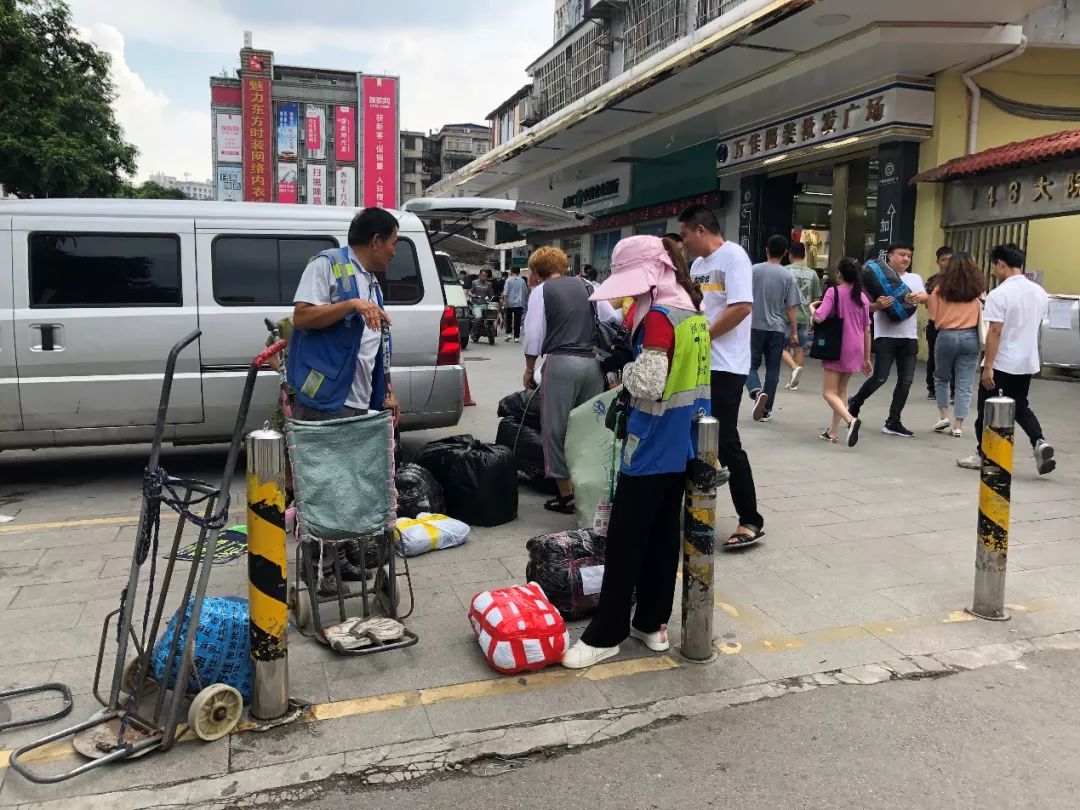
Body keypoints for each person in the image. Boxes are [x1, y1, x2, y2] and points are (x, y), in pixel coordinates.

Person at [561, 236, 710, 669]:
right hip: (684, 443)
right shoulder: (691, 311)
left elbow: (647, 382)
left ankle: (606, 634)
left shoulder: (659, 316)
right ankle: (651, 623)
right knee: (662, 538)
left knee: (626, 542)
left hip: (649, 445)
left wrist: (623, 369)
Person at [287, 207, 399, 594]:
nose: (394, 252)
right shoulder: (327, 264)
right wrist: (351, 306)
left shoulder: (371, 281)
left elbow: (375, 345)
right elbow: (302, 317)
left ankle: (338, 558)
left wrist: (386, 392)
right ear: (376, 241)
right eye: (393, 243)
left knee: (348, 483)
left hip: (358, 398)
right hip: (325, 396)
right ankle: (318, 570)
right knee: (323, 485)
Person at [679, 204, 764, 549]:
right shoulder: (697, 266)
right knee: (695, 438)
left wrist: (704, 337)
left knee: (725, 441)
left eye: (686, 235)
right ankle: (696, 509)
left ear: (701, 230)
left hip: (727, 365)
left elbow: (742, 307)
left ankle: (751, 519)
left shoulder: (734, 257)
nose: (684, 243)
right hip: (700, 364)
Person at [522, 247, 618, 513]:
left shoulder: (541, 291)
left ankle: (566, 496)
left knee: (555, 428)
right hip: (592, 364)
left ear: (536, 271)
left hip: (561, 364)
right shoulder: (587, 285)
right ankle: (590, 489)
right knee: (588, 428)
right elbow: (611, 317)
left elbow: (533, 334)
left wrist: (529, 369)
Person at [958, 244, 1055, 475]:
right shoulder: (1039, 293)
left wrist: (988, 366)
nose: (993, 271)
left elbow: (995, 331)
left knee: (987, 410)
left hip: (1002, 362)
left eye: (994, 266)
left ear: (1001, 264)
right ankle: (1039, 442)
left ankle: (984, 455)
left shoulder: (999, 294)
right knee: (1020, 406)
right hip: (1027, 362)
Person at [847, 242, 928, 438]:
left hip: (909, 337)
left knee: (906, 381)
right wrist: (877, 305)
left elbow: (926, 297)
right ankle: (856, 401)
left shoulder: (915, 278)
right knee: (880, 377)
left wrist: (919, 297)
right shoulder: (873, 278)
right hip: (885, 336)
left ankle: (893, 421)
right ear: (890, 257)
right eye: (901, 254)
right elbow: (863, 307)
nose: (906, 258)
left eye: (908, 255)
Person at [810, 257, 871, 447]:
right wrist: (867, 358)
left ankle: (850, 420)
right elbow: (867, 329)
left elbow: (819, 317)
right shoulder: (862, 297)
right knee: (841, 390)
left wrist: (812, 307)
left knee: (828, 392)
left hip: (837, 346)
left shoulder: (833, 292)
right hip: (856, 347)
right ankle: (833, 432)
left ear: (839, 274)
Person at [928, 252, 984, 438]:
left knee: (941, 377)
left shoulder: (940, 289)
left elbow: (933, 316)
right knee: (964, 383)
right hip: (970, 337)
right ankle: (958, 425)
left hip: (946, 336)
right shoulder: (978, 290)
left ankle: (943, 416)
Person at [745, 235, 800, 422]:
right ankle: (766, 410)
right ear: (785, 253)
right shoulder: (788, 276)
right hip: (777, 328)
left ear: (766, 250)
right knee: (773, 369)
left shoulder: (754, 270)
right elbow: (790, 307)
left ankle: (756, 391)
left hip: (754, 326)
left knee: (749, 365)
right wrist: (794, 332)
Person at [782, 241, 822, 391]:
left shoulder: (785, 271)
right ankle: (794, 383)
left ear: (790, 254)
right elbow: (816, 298)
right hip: (804, 317)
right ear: (804, 255)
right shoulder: (812, 274)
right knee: (799, 349)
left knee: (779, 346)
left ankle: (794, 368)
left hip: (786, 315)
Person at [924, 246, 954, 399]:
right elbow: (927, 302)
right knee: (934, 358)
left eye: (950, 260)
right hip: (935, 325)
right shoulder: (932, 281)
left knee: (955, 359)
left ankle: (954, 390)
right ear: (938, 262)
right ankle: (932, 388)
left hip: (953, 325)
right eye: (943, 260)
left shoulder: (959, 280)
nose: (947, 263)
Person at [502, 266, 527, 342]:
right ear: (519, 272)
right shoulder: (522, 281)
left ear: (511, 271)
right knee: (517, 320)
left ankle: (509, 334)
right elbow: (525, 292)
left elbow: (505, 292)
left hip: (509, 302)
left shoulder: (508, 280)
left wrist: (505, 302)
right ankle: (516, 337)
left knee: (508, 318)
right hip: (519, 303)